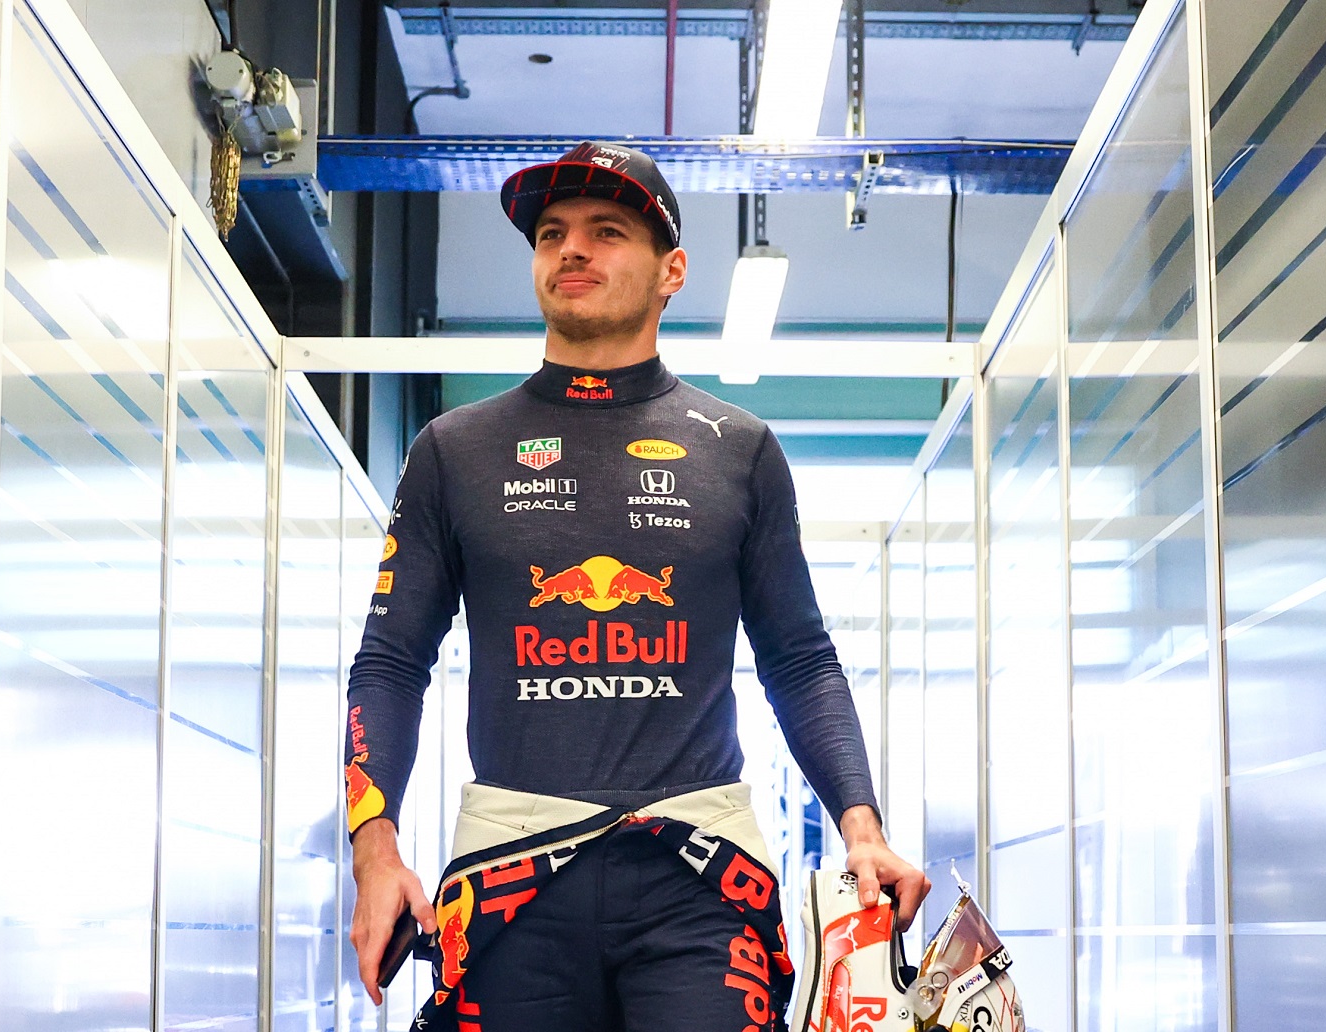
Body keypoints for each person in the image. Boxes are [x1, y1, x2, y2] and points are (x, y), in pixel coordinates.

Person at [345, 141, 928, 1032]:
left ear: (673, 271)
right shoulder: (451, 451)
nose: (571, 249)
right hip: (512, 876)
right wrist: (373, 854)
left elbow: (801, 659)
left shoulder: (740, 449)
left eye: (606, 231)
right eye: (552, 233)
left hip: (699, 884)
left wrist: (862, 827)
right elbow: (390, 663)